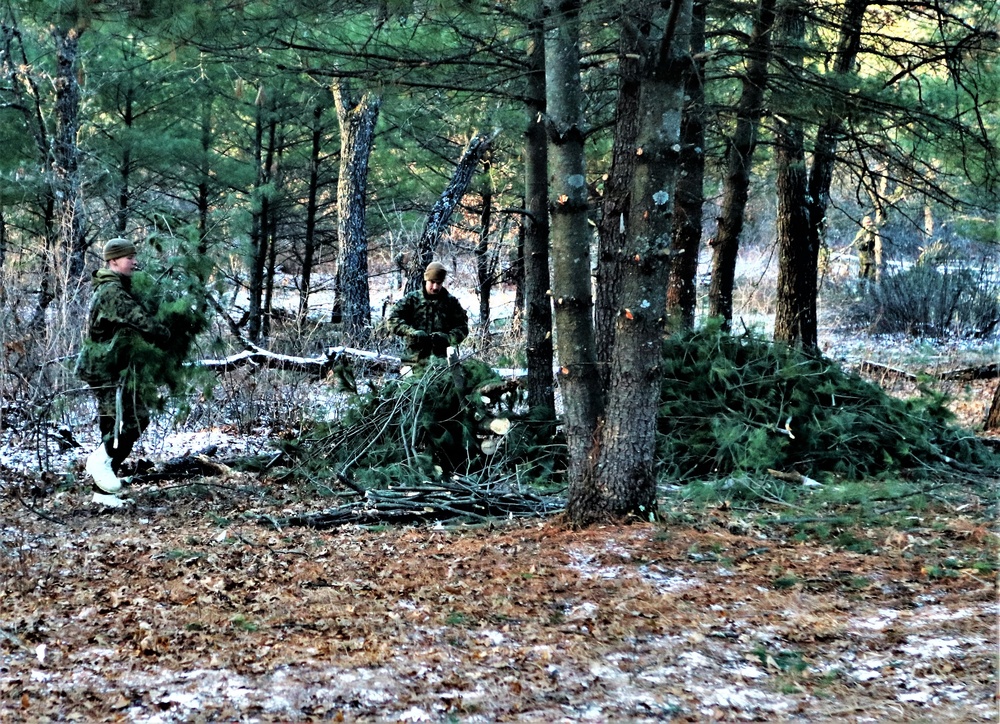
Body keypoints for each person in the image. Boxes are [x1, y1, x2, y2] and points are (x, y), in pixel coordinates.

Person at [76, 238, 170, 507]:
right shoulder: (110, 291)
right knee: (121, 424)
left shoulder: (119, 287)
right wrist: (164, 332)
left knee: (130, 420)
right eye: (130, 258)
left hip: (114, 367)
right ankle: (100, 470)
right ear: (114, 260)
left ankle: (104, 487)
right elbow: (139, 320)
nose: (135, 262)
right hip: (103, 368)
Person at [387, 261, 469, 365]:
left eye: (439, 283)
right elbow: (392, 320)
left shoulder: (451, 303)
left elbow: (462, 328)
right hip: (413, 359)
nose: (435, 287)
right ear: (426, 280)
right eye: (432, 282)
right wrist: (410, 332)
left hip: (441, 361)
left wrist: (447, 338)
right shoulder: (412, 299)